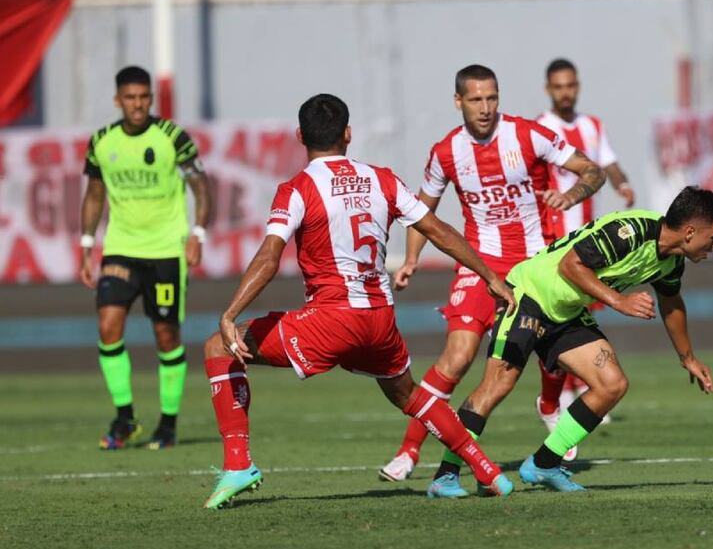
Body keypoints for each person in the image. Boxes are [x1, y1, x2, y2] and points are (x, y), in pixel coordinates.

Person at [201, 93, 517, 509]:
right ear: (348, 134)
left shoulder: (297, 189)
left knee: (219, 346)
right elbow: (438, 229)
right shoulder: (382, 178)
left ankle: (239, 465)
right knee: (407, 393)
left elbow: (270, 254)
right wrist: (490, 276)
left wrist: (231, 313)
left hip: (331, 319)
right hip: (380, 321)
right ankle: (486, 469)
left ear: (300, 136)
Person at [376, 64, 605, 491]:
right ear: (458, 101)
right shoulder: (445, 152)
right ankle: (409, 450)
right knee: (459, 357)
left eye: (492, 98)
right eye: (476, 99)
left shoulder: (528, 135)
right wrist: (409, 259)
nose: (485, 108)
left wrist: (569, 195)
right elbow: (421, 211)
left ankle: (551, 403)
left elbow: (593, 171)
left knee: (551, 354)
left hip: (536, 266)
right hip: (479, 265)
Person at [426, 186, 713, 495]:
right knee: (497, 385)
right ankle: (445, 476)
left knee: (612, 383)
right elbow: (570, 265)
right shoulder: (631, 231)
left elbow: (671, 303)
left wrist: (687, 357)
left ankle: (544, 464)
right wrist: (619, 301)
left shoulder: (671, 261)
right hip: (529, 296)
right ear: (690, 232)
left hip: (566, 311)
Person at [79, 66, 211, 451]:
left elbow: (201, 187)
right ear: (118, 100)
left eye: (144, 97)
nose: (138, 104)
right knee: (108, 326)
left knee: (166, 335)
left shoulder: (172, 137)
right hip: (120, 248)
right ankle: (125, 419)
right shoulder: (102, 142)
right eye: (131, 98)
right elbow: (93, 194)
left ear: (150, 98)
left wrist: (197, 235)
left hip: (166, 251)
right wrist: (87, 246)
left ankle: (167, 425)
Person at [535, 57, 637, 451]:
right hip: (553, 238)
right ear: (549, 89)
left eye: (571, 85)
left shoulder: (593, 125)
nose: (566, 92)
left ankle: (580, 389)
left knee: (581, 314)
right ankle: (564, 394)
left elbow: (606, 163)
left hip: (588, 241)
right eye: (559, 86)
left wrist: (624, 185)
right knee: (560, 314)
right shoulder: (541, 128)